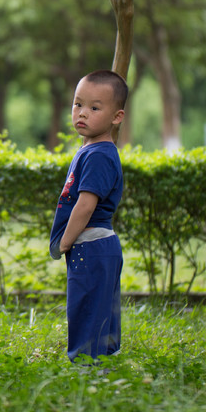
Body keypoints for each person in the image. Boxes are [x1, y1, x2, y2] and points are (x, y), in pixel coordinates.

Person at [49, 69, 127, 363]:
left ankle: (87, 367)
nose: (82, 113)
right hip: (95, 248)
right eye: (78, 104)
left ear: (116, 117)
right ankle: (105, 363)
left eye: (95, 108)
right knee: (99, 306)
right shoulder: (91, 150)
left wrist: (65, 241)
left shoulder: (98, 155)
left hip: (90, 247)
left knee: (87, 307)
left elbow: (85, 205)